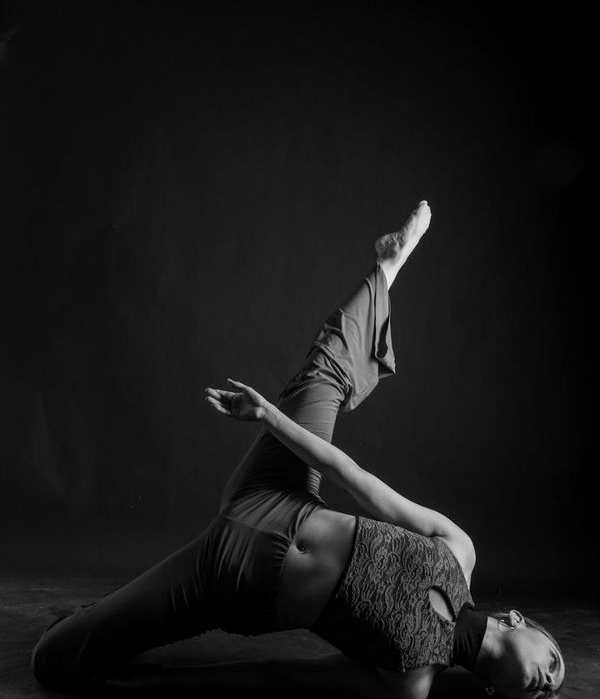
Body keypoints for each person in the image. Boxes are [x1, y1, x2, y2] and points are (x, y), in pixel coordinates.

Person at [31, 201, 565, 699]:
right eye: (555, 663)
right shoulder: (459, 551)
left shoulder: (411, 685)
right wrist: (267, 416)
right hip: (282, 495)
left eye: (547, 692)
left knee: (54, 660)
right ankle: (388, 267)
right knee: (324, 375)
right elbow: (353, 477)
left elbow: (287, 676)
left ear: (497, 693)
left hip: (237, 578)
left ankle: (98, 619)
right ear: (521, 621)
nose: (549, 684)